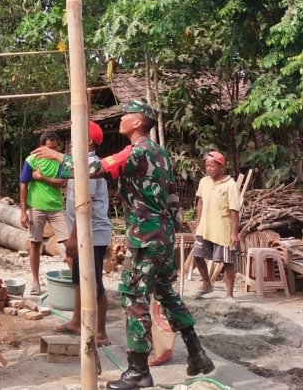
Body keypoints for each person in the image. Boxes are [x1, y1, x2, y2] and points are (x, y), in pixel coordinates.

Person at [35, 100, 213, 390]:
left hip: (145, 237)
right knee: (166, 292)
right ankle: (197, 354)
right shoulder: (161, 154)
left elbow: (96, 167)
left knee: (133, 296)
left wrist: (57, 158)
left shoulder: (137, 152)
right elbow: (173, 198)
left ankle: (137, 371)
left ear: (138, 123)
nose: (120, 119)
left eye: (125, 116)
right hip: (163, 235)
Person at [50, 121, 111, 345]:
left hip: (93, 234)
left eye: (77, 136)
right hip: (83, 232)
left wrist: (73, 238)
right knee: (79, 278)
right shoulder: (80, 164)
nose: (72, 141)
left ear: (89, 141)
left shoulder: (92, 167)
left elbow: (85, 203)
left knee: (94, 283)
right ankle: (77, 321)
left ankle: (102, 332)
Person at [19, 131, 69, 296]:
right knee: (35, 245)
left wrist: (41, 178)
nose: (52, 151)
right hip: (36, 207)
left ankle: (76, 279)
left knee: (69, 244)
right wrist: (23, 212)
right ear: (41, 146)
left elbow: (62, 183)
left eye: (55, 148)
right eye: (49, 148)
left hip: (56, 207)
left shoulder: (60, 161)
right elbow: (23, 185)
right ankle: (35, 282)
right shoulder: (31, 160)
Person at [191, 150, 240, 299]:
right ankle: (207, 283)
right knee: (197, 255)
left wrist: (233, 233)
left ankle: (229, 295)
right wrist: (198, 223)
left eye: (212, 166)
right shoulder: (204, 182)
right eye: (207, 166)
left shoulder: (230, 185)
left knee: (227, 262)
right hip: (205, 227)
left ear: (221, 167)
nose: (209, 168)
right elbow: (200, 202)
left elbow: (234, 211)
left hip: (223, 230)